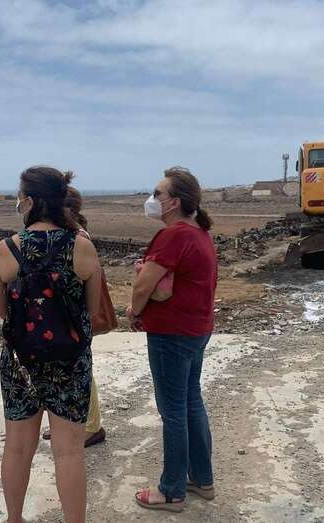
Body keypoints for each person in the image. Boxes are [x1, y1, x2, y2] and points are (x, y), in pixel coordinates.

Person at [0, 167, 101, 523]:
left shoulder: (6, 249)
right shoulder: (82, 246)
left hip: (20, 362)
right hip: (70, 361)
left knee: (17, 448)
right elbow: (92, 309)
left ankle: (14, 518)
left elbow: (1, 310)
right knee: (69, 453)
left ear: (30, 201)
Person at [128, 166, 218, 513]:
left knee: (173, 412)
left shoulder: (174, 235)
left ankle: (171, 491)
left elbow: (143, 286)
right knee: (191, 402)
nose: (152, 199)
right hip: (196, 329)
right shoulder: (200, 233)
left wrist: (134, 313)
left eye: (158, 194)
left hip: (172, 333)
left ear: (175, 202)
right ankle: (202, 479)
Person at [42, 186, 106, 447]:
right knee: (64, 373)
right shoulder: (71, 233)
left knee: (81, 374)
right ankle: (66, 423)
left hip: (73, 318)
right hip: (64, 318)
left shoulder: (78, 237)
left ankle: (92, 427)